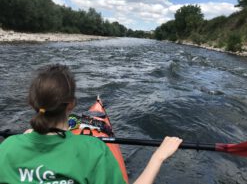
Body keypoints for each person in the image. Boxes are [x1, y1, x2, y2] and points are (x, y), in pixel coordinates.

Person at [0, 64, 182, 184]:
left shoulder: (7, 147)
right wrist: (158, 156)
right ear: (71, 104)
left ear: (33, 103)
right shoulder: (94, 150)